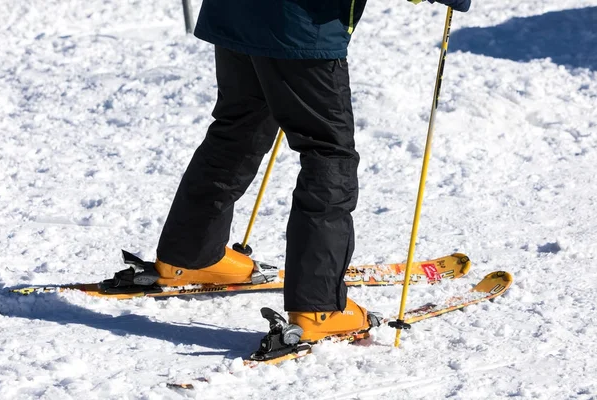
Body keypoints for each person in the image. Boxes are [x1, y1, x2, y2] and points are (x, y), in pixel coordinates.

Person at [154, 0, 471, 343]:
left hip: (236, 11)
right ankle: (319, 308)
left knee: (238, 128)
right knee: (328, 152)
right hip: (300, 22)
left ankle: (190, 255)